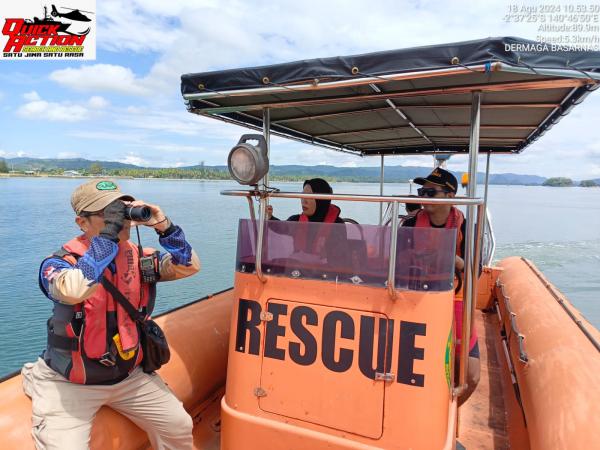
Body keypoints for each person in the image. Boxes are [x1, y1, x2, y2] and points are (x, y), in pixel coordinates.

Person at [22, 179, 200, 449]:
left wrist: (164, 226)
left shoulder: (139, 258)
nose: (120, 221)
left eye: (121, 211)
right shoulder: (58, 264)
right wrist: (109, 238)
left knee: (179, 425)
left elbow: (188, 266)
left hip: (129, 376)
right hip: (71, 383)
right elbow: (73, 289)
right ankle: (35, 376)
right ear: (82, 223)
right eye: (109, 215)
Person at [401, 168, 480, 405]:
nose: (423, 197)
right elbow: (395, 263)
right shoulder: (410, 225)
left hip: (454, 298)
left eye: (430, 192)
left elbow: (474, 270)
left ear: (450, 195)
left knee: (471, 375)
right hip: (416, 297)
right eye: (421, 192)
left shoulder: (467, 229)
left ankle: (449, 412)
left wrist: (454, 260)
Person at [266, 178, 348, 267]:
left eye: (309, 196)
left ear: (321, 200)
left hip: (324, 274)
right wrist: (270, 217)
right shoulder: (296, 220)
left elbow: (340, 259)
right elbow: (282, 228)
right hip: (297, 272)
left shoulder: (337, 225)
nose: (303, 201)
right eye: (303, 195)